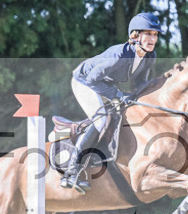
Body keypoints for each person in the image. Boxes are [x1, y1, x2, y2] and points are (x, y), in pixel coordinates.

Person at [61, 12, 164, 191]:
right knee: (101, 120)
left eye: (155, 35)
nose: (152, 39)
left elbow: (140, 82)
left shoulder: (150, 56)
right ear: (135, 35)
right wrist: (117, 94)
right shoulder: (120, 55)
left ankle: (98, 155)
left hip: (104, 83)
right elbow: (93, 80)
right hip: (84, 81)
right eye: (148, 34)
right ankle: (71, 171)